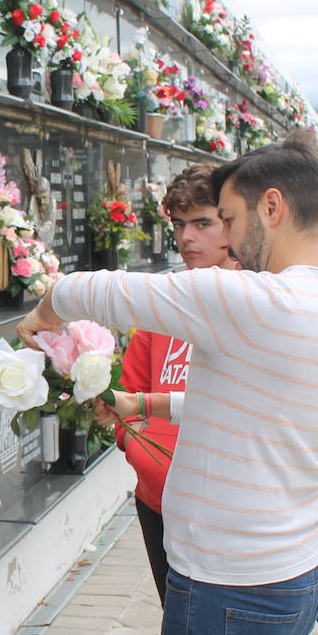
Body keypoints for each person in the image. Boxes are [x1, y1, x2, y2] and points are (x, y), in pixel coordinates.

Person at [17, 129, 318, 635]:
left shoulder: (256, 300)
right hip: (295, 573)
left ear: (272, 207)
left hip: (225, 586)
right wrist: (145, 403)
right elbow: (254, 407)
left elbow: (95, 291)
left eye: (229, 220)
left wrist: (43, 313)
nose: (228, 242)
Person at [95, 164, 238, 602]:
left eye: (202, 223)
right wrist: (135, 442)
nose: (186, 237)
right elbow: (133, 385)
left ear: (231, 224)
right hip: (156, 497)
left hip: (221, 504)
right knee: (175, 616)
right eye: (179, 224)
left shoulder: (250, 299)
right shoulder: (168, 302)